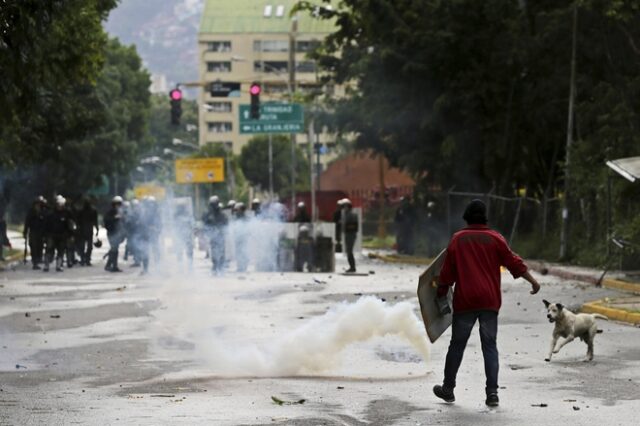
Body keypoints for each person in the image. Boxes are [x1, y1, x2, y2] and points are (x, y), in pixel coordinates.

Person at [432, 199, 541, 408]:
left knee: (457, 345)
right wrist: (533, 281)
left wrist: (440, 293)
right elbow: (514, 262)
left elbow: (446, 273)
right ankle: (492, 394)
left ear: (466, 216)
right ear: (484, 217)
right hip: (490, 301)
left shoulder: (458, 239)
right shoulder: (495, 238)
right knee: (489, 346)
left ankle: (448, 389)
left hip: (465, 302)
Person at [43, 196, 73, 272]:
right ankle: (46, 265)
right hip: (51, 235)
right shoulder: (50, 214)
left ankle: (59, 265)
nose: (60, 206)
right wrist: (45, 235)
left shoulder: (67, 214)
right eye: (58, 204)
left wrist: (70, 235)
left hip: (62, 236)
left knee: (61, 251)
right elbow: (46, 225)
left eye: (61, 204)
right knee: (49, 250)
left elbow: (69, 225)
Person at [202, 196, 228, 275]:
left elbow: (226, 224)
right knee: (214, 252)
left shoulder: (222, 214)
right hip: (213, 236)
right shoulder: (209, 214)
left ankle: (221, 267)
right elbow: (205, 224)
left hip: (220, 235)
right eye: (212, 204)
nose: (213, 206)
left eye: (214, 204)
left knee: (221, 251)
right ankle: (215, 266)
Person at [23, 196, 47, 269]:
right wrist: (25, 232)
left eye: (39, 204)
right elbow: (27, 222)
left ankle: (39, 259)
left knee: (40, 246)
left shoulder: (44, 212)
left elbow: (46, 222)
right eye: (37, 204)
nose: (38, 206)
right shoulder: (31, 212)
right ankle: (35, 262)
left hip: (41, 232)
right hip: (33, 232)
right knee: (33, 247)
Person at [103, 196, 125, 272]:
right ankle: (112, 266)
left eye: (119, 204)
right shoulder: (110, 212)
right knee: (114, 249)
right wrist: (115, 218)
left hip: (118, 233)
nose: (118, 206)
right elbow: (106, 221)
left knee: (114, 250)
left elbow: (123, 223)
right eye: (116, 204)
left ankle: (110, 265)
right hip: (111, 233)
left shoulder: (120, 212)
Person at [77, 198, 98, 266]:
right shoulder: (81, 211)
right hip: (83, 230)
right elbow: (78, 221)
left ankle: (86, 259)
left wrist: (97, 229)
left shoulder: (92, 211)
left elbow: (95, 220)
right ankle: (83, 259)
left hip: (88, 230)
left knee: (89, 247)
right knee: (82, 246)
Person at [342, 199, 358, 273]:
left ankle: (352, 267)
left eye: (345, 206)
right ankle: (352, 266)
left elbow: (355, 226)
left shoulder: (352, 215)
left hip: (350, 235)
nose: (344, 208)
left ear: (348, 207)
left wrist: (346, 227)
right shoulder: (346, 215)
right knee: (348, 251)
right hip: (348, 235)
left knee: (349, 251)